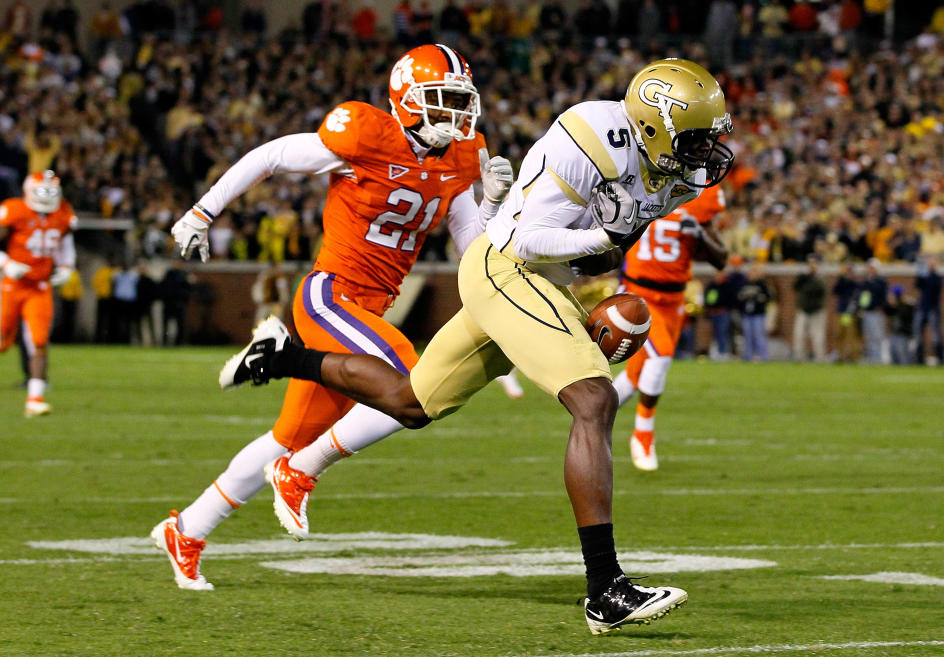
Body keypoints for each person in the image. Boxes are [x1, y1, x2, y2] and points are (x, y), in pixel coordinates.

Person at [222, 58, 735, 634]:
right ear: (653, 126)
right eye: (695, 140)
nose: (707, 154)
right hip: (508, 268)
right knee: (594, 399)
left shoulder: (674, 177)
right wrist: (601, 238)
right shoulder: (593, 136)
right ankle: (605, 590)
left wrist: (599, 266)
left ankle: (280, 357)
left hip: (546, 279)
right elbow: (526, 239)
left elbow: (594, 251)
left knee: (410, 403)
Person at [153, 44, 514, 592]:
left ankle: (188, 529)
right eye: (442, 102)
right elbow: (271, 155)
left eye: (461, 103)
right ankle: (300, 464)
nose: (455, 116)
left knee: (287, 435)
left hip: (370, 306)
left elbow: (472, 249)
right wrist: (203, 210)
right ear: (406, 99)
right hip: (330, 296)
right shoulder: (366, 135)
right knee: (416, 386)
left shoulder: (460, 158)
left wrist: (489, 204)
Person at [612, 184, 728, 471]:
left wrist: (700, 235)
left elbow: (721, 259)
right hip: (639, 294)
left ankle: (595, 412)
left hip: (673, 300)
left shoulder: (700, 194)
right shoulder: (639, 177)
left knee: (637, 375)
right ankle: (643, 434)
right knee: (661, 357)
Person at [0, 171, 76, 417]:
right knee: (3, 340)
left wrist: (66, 267)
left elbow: (66, 245)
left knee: (39, 342)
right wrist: (5, 264)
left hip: (40, 287)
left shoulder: (63, 213)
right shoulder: (14, 210)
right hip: (12, 284)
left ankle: (35, 398)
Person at [792, 254, 827, 362]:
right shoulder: (804, 276)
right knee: (799, 334)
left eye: (813, 263)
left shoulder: (820, 277)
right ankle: (799, 357)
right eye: (809, 263)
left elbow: (818, 289)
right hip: (803, 309)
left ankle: (819, 357)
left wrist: (810, 278)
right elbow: (795, 287)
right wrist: (803, 277)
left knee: (817, 336)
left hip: (816, 310)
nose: (811, 265)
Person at [913, 255, 944, 365]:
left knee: (936, 335)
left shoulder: (937, 277)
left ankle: (940, 358)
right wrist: (921, 273)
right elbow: (917, 285)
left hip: (933, 308)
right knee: (918, 334)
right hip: (922, 307)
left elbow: (936, 288)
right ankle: (919, 359)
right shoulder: (923, 276)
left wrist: (929, 274)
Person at [738, 262, 771, 362]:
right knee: (748, 335)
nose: (751, 274)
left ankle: (762, 355)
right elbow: (740, 297)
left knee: (758, 334)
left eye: (754, 272)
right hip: (747, 313)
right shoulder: (745, 283)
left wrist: (760, 299)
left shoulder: (762, 284)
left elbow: (767, 297)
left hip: (758, 313)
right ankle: (748, 356)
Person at [859, 258, 887, 364]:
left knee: (877, 336)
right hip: (868, 312)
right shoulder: (867, 281)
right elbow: (864, 297)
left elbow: (880, 296)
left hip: (876, 312)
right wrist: (862, 307)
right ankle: (871, 357)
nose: (870, 270)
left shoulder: (881, 281)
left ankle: (878, 357)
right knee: (868, 336)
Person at [884, 285, 914, 365]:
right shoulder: (892, 306)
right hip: (894, 333)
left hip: (903, 333)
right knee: (893, 354)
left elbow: (907, 316)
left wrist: (901, 304)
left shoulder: (906, 306)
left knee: (902, 355)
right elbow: (887, 311)